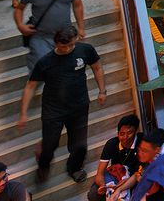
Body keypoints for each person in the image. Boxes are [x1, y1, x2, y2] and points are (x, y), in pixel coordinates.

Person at [18, 25, 106, 184]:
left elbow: (97, 67)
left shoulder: (85, 50)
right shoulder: (46, 62)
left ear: (76, 39)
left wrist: (102, 91)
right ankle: (43, 165)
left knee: (79, 145)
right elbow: (31, 86)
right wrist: (23, 113)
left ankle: (75, 168)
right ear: (56, 43)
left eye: (70, 45)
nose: (67, 49)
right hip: (53, 110)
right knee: (49, 145)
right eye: (62, 46)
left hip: (79, 107)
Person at [15, 0, 83, 73]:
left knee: (64, 65)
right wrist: (20, 26)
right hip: (41, 36)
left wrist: (81, 27)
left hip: (64, 35)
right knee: (40, 64)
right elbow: (19, 9)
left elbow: (77, 5)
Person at [109, 129, 164, 201]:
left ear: (157, 150)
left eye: (144, 151)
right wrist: (119, 190)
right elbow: (136, 175)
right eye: (140, 149)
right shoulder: (147, 158)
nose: (140, 153)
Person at [88, 115, 141, 201]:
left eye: (129, 133)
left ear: (136, 131)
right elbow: (100, 174)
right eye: (122, 134)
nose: (125, 137)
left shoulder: (141, 144)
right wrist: (103, 186)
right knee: (94, 194)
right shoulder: (111, 144)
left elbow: (137, 175)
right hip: (115, 177)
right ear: (118, 133)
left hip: (133, 179)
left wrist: (120, 187)